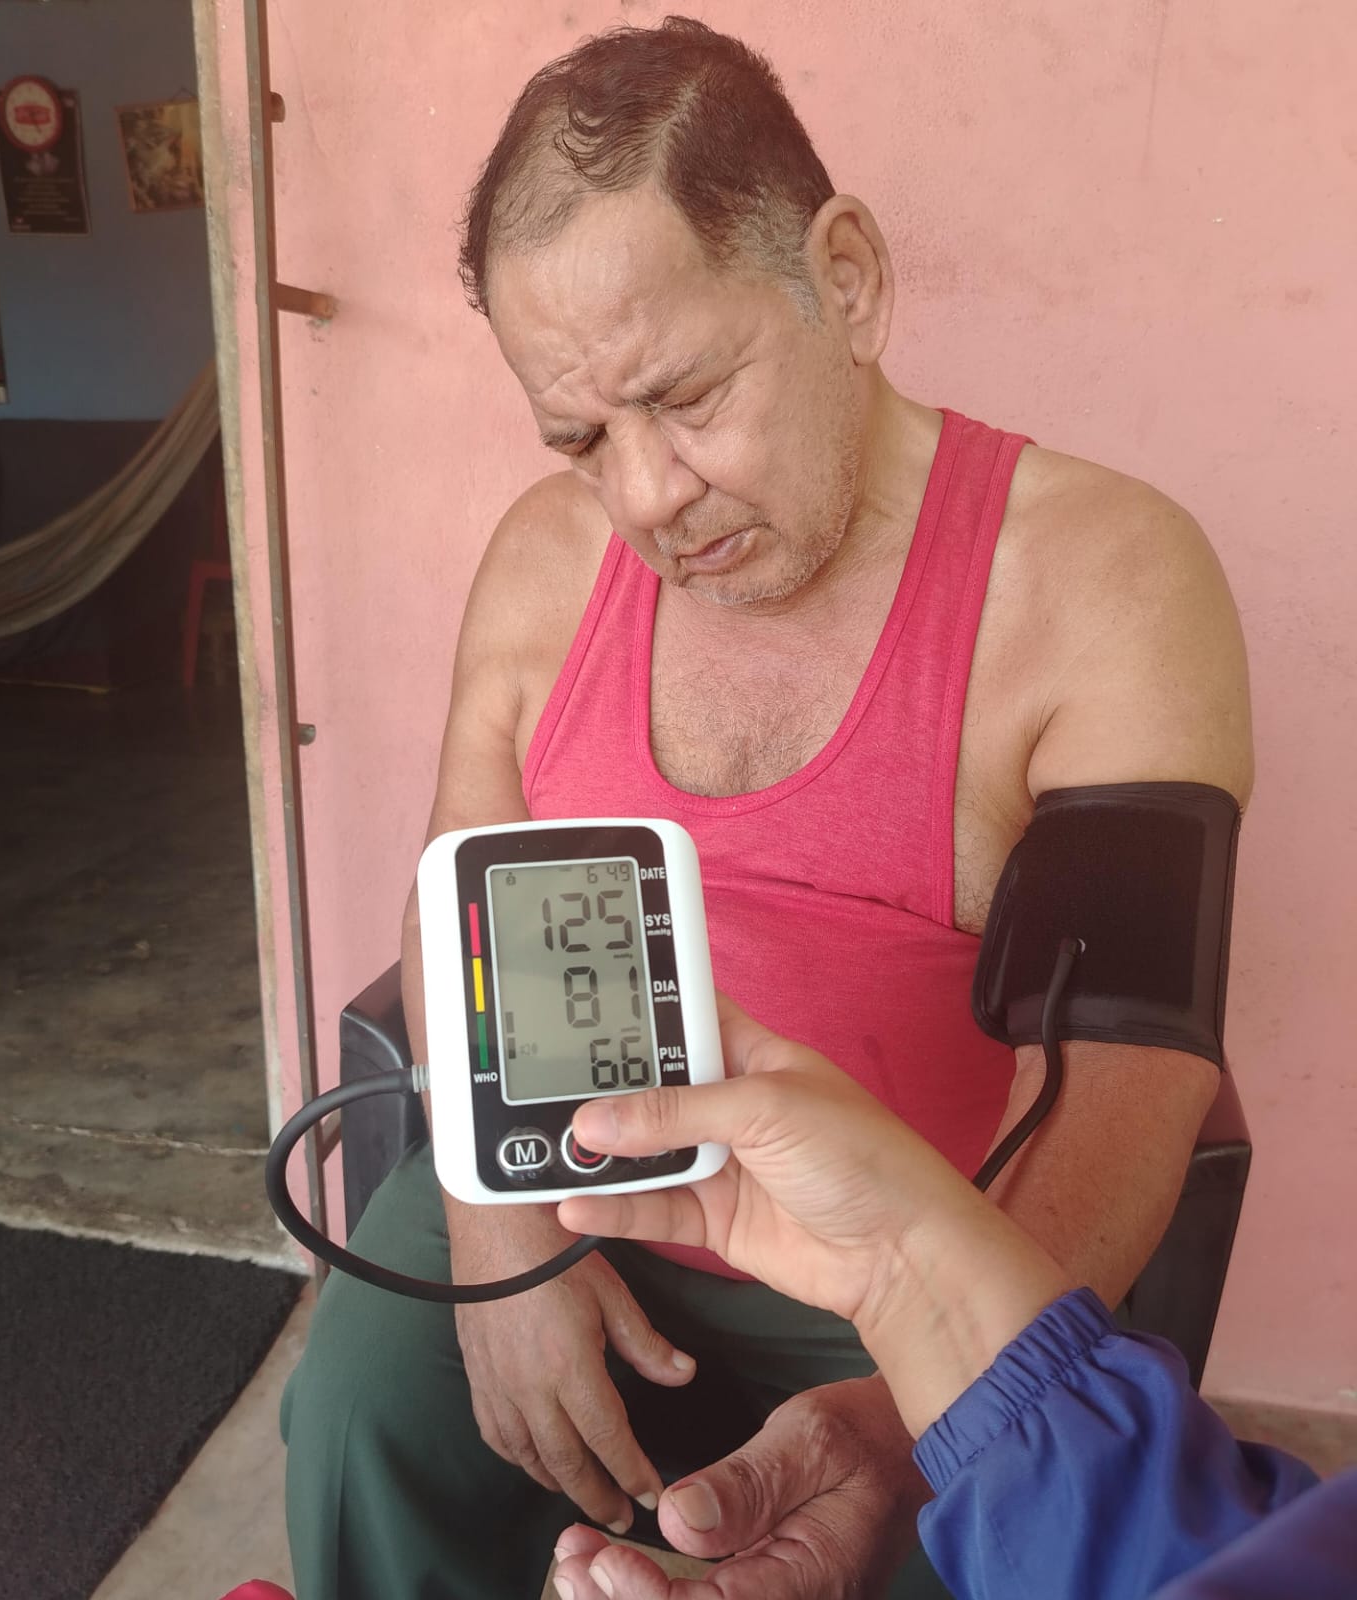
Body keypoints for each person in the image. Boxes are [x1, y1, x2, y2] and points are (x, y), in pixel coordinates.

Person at [279, 17, 1254, 1599]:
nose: (645, 495)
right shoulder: (544, 561)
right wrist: (500, 1240)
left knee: (971, 1532)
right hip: (565, 1190)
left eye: (686, 395)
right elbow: (456, 906)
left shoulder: (1105, 577)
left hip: (907, 1247)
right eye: (582, 437)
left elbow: (1130, 1076)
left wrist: (917, 1401)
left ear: (845, 281)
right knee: (360, 1411)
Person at [545, 997, 1357, 1600]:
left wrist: (907, 1357)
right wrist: (502, 1242)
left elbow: (1138, 1028)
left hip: (920, 1290)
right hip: (861, 1270)